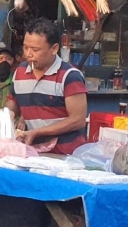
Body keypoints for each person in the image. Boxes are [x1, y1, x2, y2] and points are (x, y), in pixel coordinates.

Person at [7, 18, 88, 155]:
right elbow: (13, 101)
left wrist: (38, 132)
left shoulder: (69, 76)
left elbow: (78, 120)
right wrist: (6, 112)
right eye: (25, 47)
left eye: (35, 49)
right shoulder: (19, 72)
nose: (28, 54)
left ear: (54, 49)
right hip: (34, 152)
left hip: (67, 154)